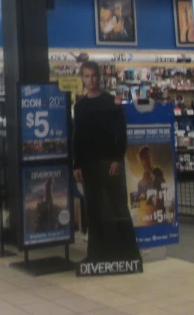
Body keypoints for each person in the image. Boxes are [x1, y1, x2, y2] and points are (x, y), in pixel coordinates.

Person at [73, 61, 140, 263]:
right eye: (86, 76)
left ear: (99, 77)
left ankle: (128, 254)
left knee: (118, 207)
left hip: (110, 163)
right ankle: (96, 254)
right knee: (93, 210)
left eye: (93, 75)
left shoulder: (112, 102)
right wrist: (77, 164)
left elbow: (121, 134)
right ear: (82, 78)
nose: (90, 80)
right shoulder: (80, 106)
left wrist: (117, 159)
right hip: (89, 165)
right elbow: (79, 137)